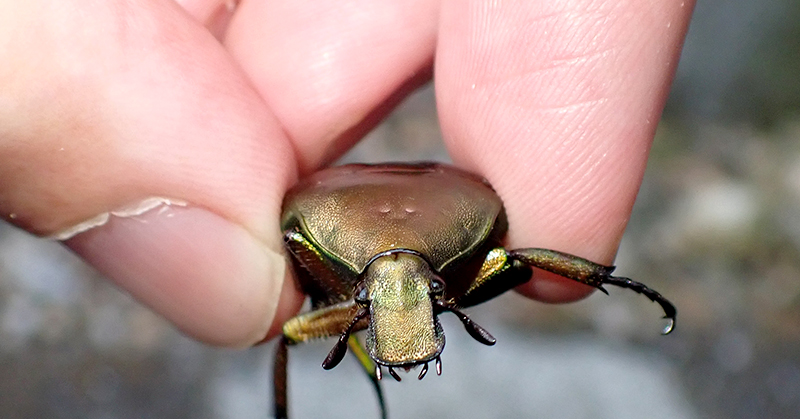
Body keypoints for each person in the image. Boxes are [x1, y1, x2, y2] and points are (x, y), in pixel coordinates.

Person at [0, 0, 694, 347]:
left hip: (423, 224)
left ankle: (611, 282)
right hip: (374, 226)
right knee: (302, 328)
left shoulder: (468, 258)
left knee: (514, 260)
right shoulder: (320, 258)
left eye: (401, 301)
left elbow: (517, 259)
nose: (402, 313)